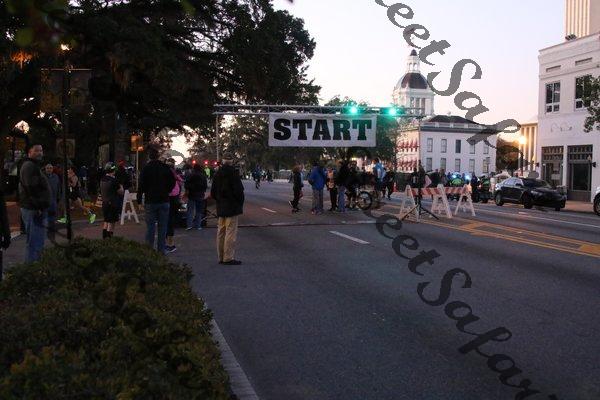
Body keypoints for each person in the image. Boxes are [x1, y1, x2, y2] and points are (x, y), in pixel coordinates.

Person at [137, 145, 176, 255]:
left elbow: (141, 185)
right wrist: (167, 190)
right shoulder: (165, 168)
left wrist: (139, 200)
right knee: (163, 227)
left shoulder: (146, 168)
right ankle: (161, 250)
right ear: (158, 156)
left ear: (149, 157)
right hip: (164, 200)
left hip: (150, 200)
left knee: (150, 227)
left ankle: (149, 250)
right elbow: (172, 181)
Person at [19, 144, 51, 263]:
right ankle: (32, 267)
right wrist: (39, 206)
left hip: (35, 208)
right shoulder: (29, 166)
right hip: (33, 209)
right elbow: (31, 189)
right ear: (29, 152)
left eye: (41, 150)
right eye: (36, 150)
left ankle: (35, 265)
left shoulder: (33, 166)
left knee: (37, 241)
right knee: (35, 242)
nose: (40, 153)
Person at [210, 152, 244, 266]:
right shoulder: (234, 173)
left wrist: (219, 200)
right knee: (230, 232)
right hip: (232, 206)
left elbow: (213, 192)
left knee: (221, 232)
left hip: (221, 206)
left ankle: (220, 256)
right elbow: (239, 191)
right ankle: (228, 257)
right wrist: (239, 203)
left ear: (223, 161)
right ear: (232, 161)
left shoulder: (217, 174)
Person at [164, 158, 184, 252]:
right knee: (170, 221)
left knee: (165, 221)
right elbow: (180, 184)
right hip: (174, 199)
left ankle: (166, 242)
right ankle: (170, 243)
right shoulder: (175, 175)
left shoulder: (164, 174)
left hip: (166, 198)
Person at [100, 162, 124, 239]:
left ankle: (104, 238)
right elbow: (121, 192)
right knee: (111, 223)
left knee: (106, 221)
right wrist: (121, 185)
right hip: (112, 204)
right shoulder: (114, 180)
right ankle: (109, 240)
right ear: (113, 170)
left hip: (104, 203)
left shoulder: (102, 179)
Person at [185, 163, 208, 231]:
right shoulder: (203, 176)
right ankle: (198, 225)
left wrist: (189, 190)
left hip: (191, 195)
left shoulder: (190, 175)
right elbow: (205, 185)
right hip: (200, 195)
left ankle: (189, 225)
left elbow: (186, 185)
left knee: (190, 211)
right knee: (199, 211)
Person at [44, 163, 61, 242]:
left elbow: (58, 187)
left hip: (54, 198)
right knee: (45, 215)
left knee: (53, 214)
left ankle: (52, 228)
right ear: (45, 169)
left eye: (50, 168)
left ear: (53, 169)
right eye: (47, 168)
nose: (49, 169)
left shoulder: (56, 177)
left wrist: (58, 197)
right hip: (45, 199)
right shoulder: (43, 177)